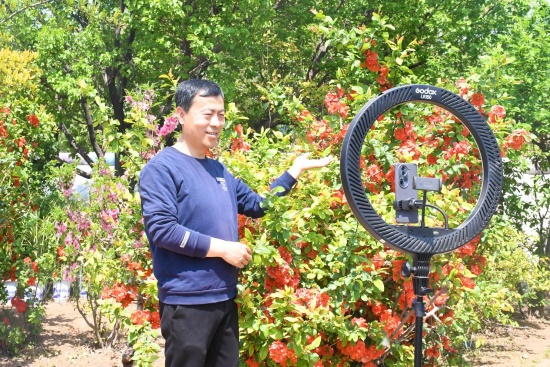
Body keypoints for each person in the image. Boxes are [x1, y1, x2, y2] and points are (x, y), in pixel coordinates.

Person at [139, 79, 333, 367]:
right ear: (181, 115)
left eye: (221, 115)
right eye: (207, 114)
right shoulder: (162, 169)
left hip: (224, 296)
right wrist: (223, 249)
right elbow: (163, 230)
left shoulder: (218, 170)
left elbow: (257, 205)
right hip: (187, 301)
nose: (216, 123)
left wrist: (295, 171)